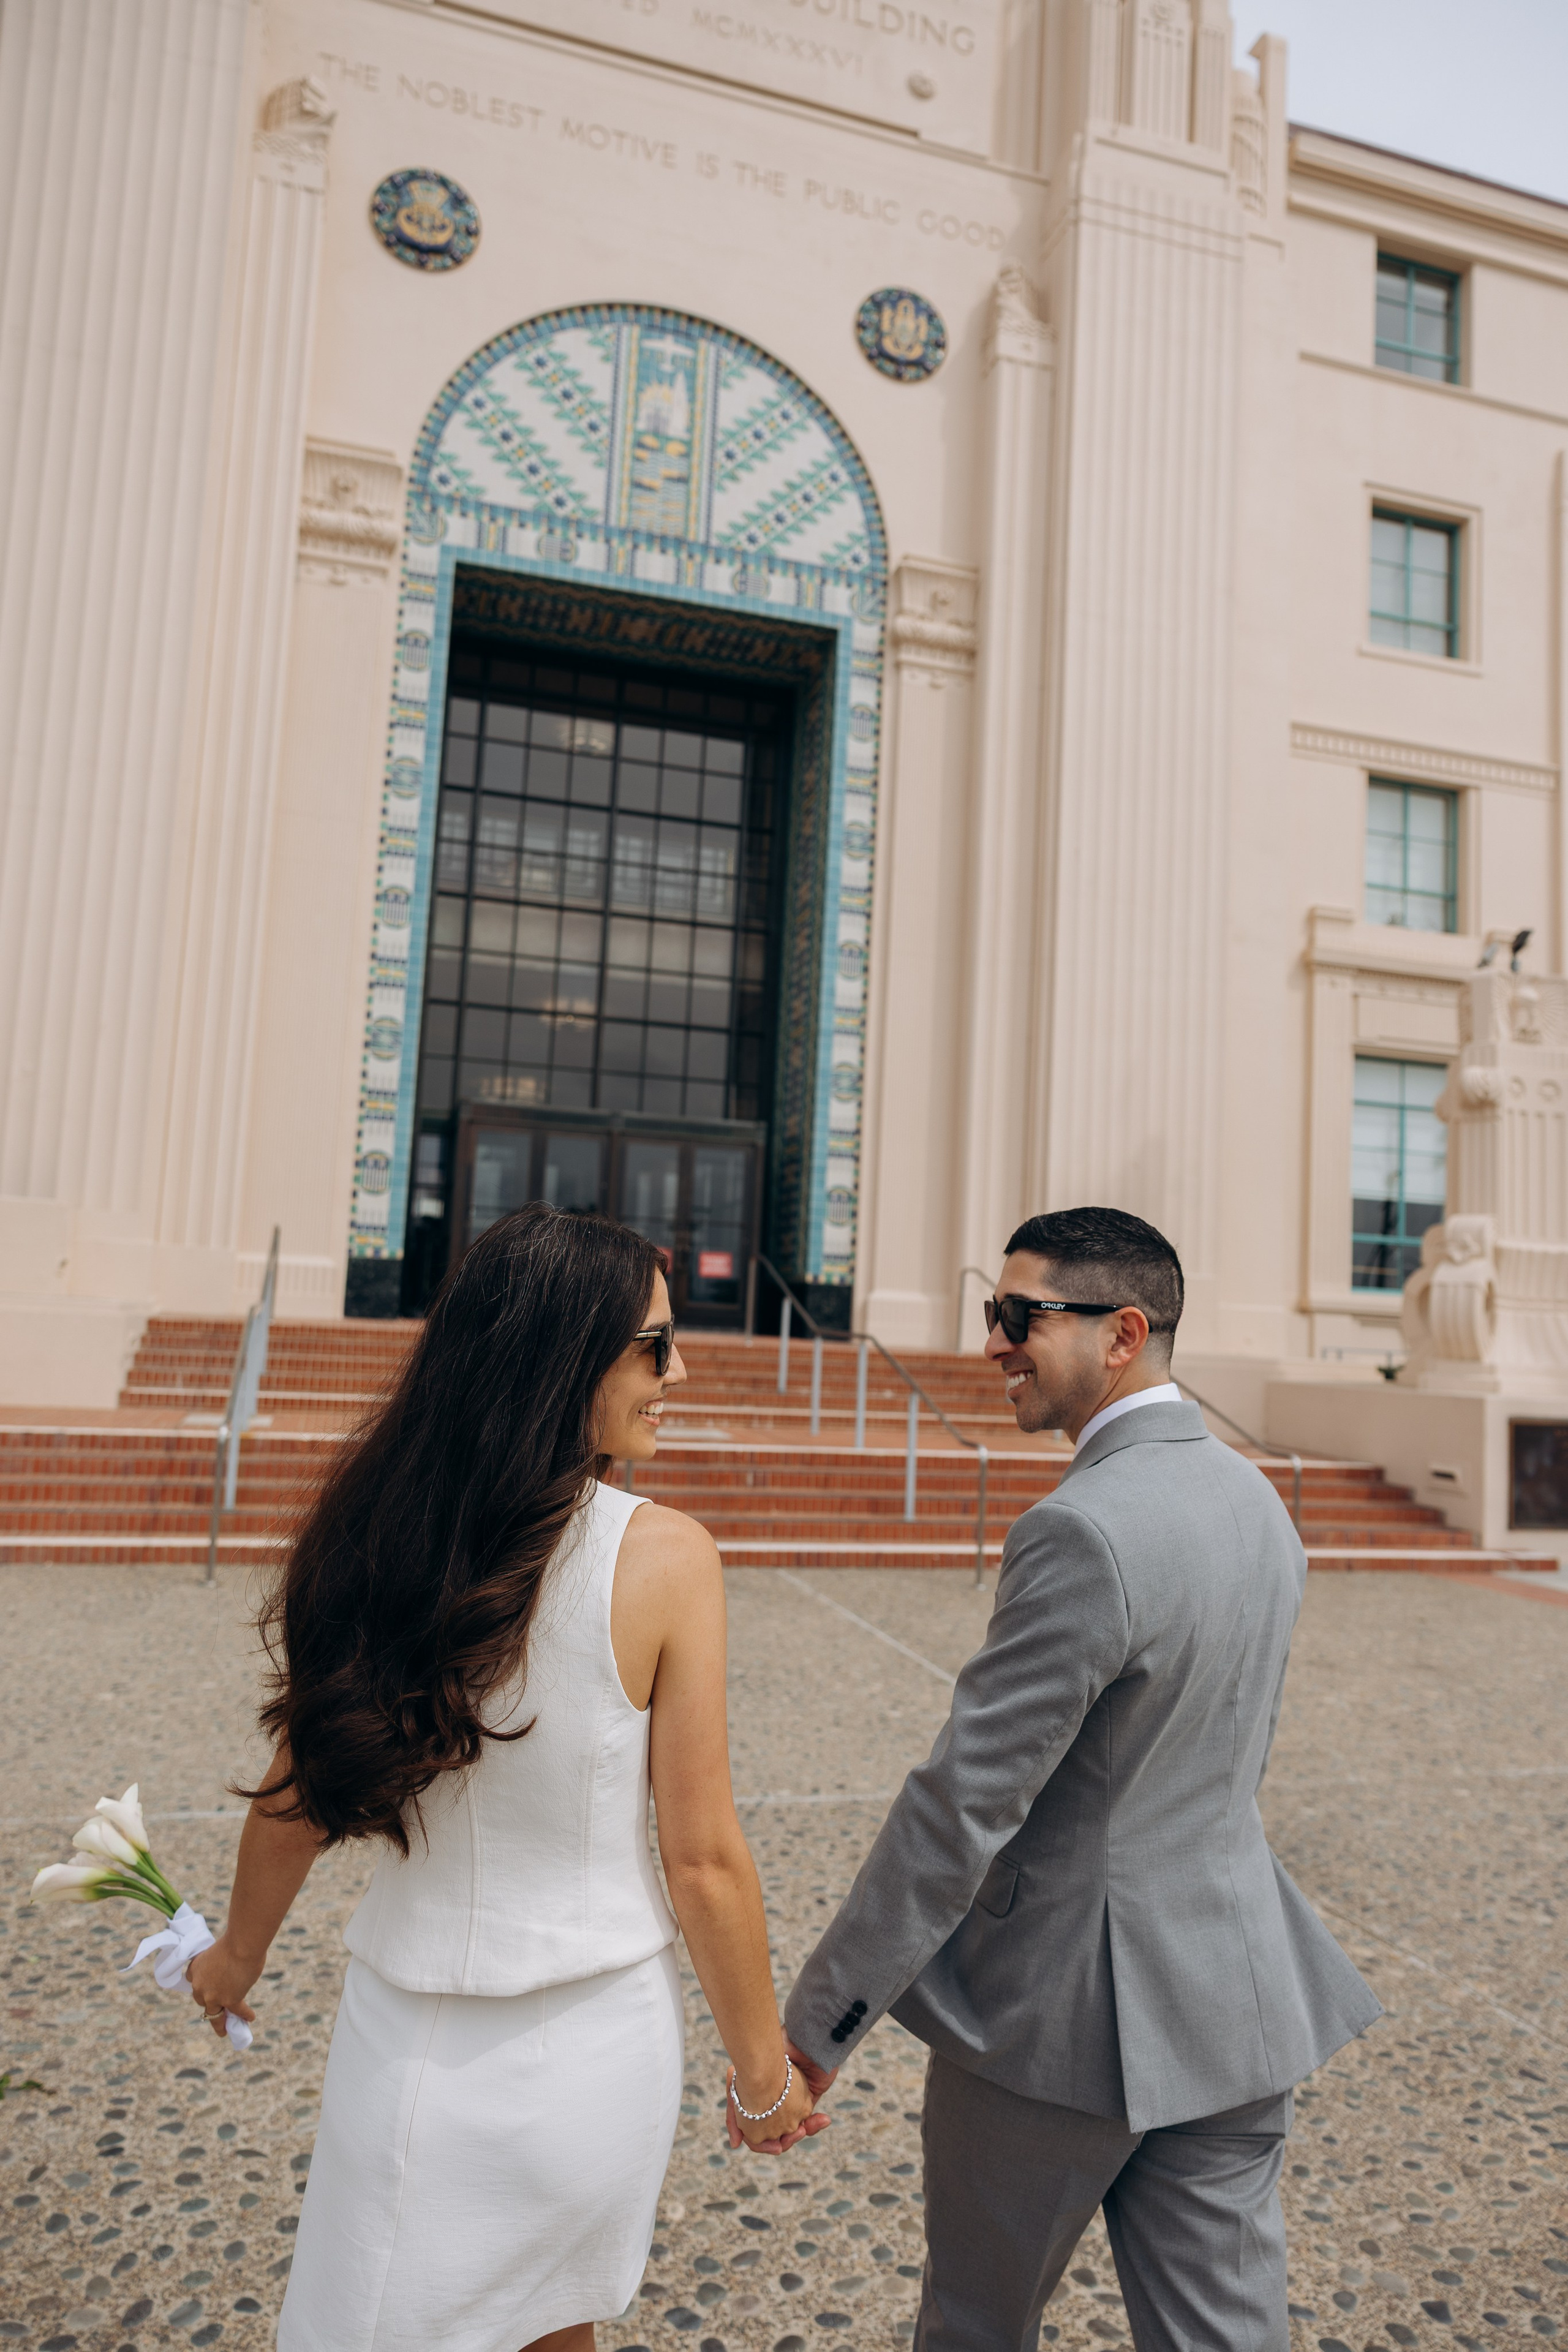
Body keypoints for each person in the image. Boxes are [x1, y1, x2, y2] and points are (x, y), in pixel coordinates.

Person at [187, 1204, 822, 2352]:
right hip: (597, 2050)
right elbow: (703, 1858)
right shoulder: (667, 1558)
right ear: (559, 1356)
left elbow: (298, 1794)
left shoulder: (377, 1532)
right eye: (653, 1346)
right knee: (553, 2328)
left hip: (407, 2036)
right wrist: (762, 2075)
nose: (679, 1370)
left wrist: (236, 1956)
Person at [782, 1205, 1382, 2352]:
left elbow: (961, 1807)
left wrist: (818, 2029)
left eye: (1020, 1316)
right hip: (1236, 1998)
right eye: (990, 1313)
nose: (994, 1342)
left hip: (1055, 2029)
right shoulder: (1261, 1499)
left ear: (1123, 1334)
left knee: (976, 2326)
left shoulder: (1081, 1530)